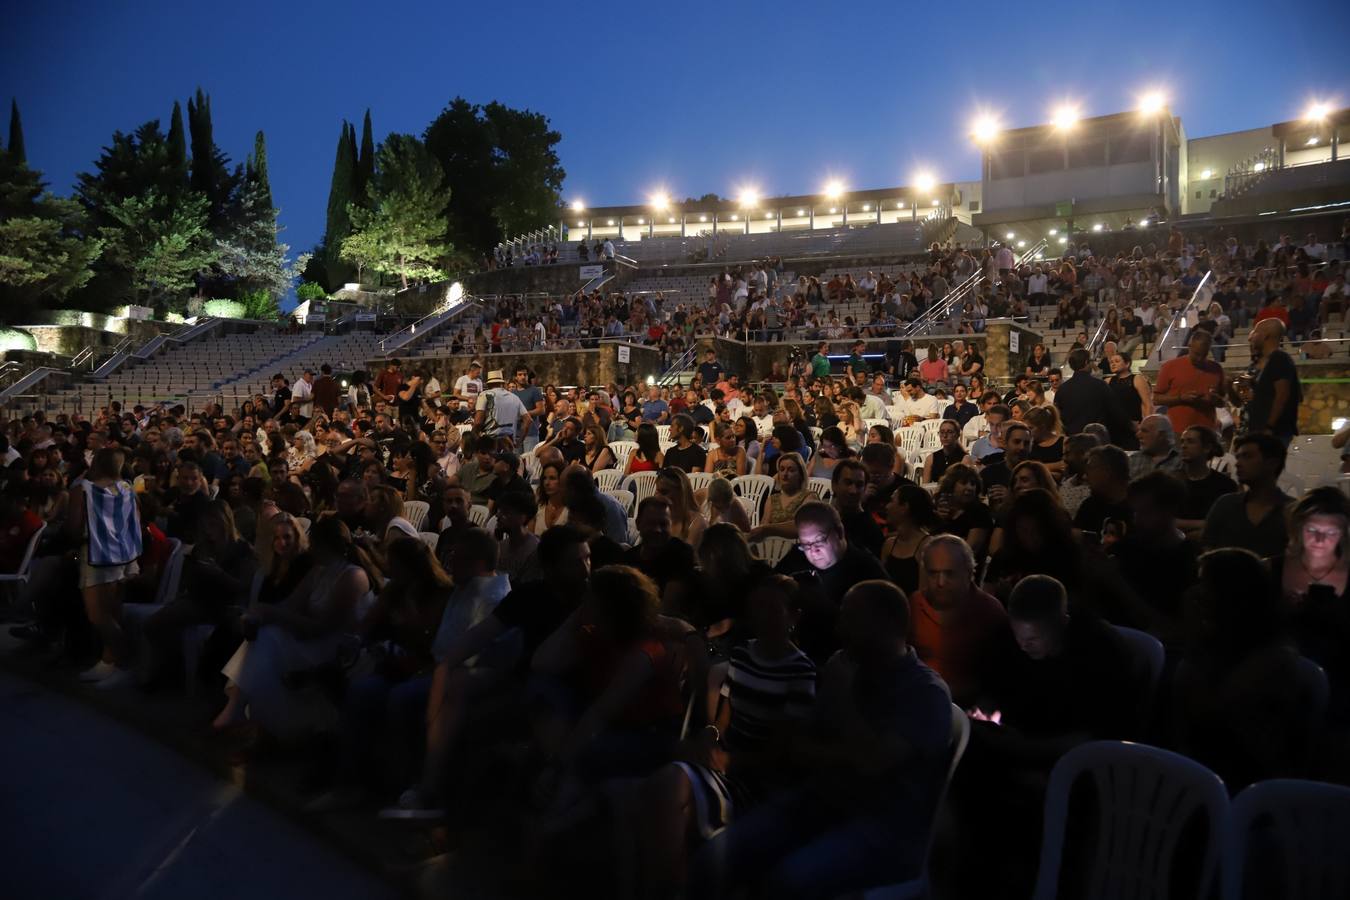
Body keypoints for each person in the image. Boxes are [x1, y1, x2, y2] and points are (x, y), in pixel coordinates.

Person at [689, 580, 952, 900]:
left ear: (884, 626)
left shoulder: (924, 693)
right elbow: (802, 746)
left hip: (882, 826)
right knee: (712, 859)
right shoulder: (845, 665)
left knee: (787, 882)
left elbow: (872, 764)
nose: (839, 629)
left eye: (850, 620)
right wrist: (838, 753)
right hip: (822, 800)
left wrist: (843, 703)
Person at [382, 526, 593, 818]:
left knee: (527, 700)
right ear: (550, 566)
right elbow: (481, 634)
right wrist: (446, 666)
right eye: (575, 562)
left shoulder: (594, 600)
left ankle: (445, 798)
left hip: (566, 687)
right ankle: (430, 788)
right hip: (523, 681)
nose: (585, 569)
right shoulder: (531, 596)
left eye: (588, 558)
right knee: (457, 682)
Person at [627, 575, 817, 897]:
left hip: (756, 778)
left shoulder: (800, 671)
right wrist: (711, 734)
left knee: (667, 789)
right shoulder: (744, 654)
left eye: (772, 609)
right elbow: (726, 714)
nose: (762, 617)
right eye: (757, 608)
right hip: (724, 762)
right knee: (662, 792)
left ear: (793, 616)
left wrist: (728, 761)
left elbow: (784, 750)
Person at [214, 517, 377, 740]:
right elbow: (289, 606)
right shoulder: (318, 572)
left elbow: (322, 628)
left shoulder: (353, 576)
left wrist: (273, 614)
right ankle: (245, 713)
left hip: (337, 646)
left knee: (269, 639)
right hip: (314, 636)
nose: (310, 549)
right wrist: (259, 614)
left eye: (314, 544)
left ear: (326, 546)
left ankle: (242, 712)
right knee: (264, 635)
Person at [1173, 548, 1308, 789]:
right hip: (1210, 759)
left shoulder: (1273, 655)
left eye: (1205, 584)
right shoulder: (1223, 637)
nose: (1197, 593)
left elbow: (1208, 710)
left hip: (1248, 774)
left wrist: (1192, 634)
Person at [775, 502, 888, 664]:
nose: (813, 551)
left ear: (839, 532)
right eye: (805, 545)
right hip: (796, 656)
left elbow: (876, 635)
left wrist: (825, 606)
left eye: (819, 541)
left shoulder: (867, 571)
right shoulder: (797, 557)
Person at [70, 448, 144, 688]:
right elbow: (136, 520)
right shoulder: (127, 488)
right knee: (113, 612)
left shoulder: (82, 489)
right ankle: (108, 662)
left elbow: (73, 528)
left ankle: (125, 661)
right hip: (123, 556)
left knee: (98, 615)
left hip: (96, 556)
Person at [908, 534, 1007, 707]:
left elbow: (1002, 674)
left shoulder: (990, 612)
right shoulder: (914, 604)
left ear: (968, 573)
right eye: (933, 573)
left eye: (949, 574)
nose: (940, 582)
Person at [1202, 433, 1292, 558]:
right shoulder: (1225, 504)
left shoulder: (1293, 512)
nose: (1237, 464)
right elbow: (1207, 547)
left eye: (1247, 456)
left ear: (1272, 463)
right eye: (1238, 457)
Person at [1054, 348, 1133, 445]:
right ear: (1086, 362)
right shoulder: (1100, 385)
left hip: (1072, 441)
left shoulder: (1062, 389)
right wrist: (1131, 425)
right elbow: (1115, 411)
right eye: (1091, 361)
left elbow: (1057, 417)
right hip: (1096, 440)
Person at [1243, 318, 1302, 445]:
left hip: (1274, 433)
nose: (1250, 337)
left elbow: (1282, 395)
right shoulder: (1258, 364)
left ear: (1265, 335)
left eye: (1255, 332)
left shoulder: (1280, 359)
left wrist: (1269, 426)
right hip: (1257, 431)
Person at [1153, 329, 1224, 435]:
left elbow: (1222, 401)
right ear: (1189, 346)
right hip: (1178, 431)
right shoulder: (1170, 366)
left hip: (1207, 432)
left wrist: (1215, 400)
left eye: (1204, 355)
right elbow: (1156, 399)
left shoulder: (1216, 369)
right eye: (1196, 354)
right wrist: (1181, 398)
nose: (1199, 359)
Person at [1176, 426, 1238, 538]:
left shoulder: (1225, 484)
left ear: (1207, 448)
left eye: (1190, 441)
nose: (1183, 446)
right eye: (1182, 441)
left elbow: (1227, 522)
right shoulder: (1171, 481)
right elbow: (1164, 520)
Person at [1072, 444, 1133, 537]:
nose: (1084, 477)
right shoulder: (1089, 506)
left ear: (1108, 471)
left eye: (1090, 468)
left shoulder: (1139, 509)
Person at [750, 451, 811, 541]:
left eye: (791, 470)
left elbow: (802, 526)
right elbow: (763, 527)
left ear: (800, 475)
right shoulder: (773, 499)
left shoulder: (808, 497)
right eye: (782, 469)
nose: (785, 474)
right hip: (770, 545)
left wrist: (769, 528)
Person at [829, 459, 883, 557]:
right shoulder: (824, 519)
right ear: (834, 485)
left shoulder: (870, 530)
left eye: (859, 485)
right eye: (848, 483)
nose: (853, 491)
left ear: (865, 489)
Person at [474, 370, 531, 442]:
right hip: (509, 442)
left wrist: (473, 437)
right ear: (502, 384)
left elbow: (478, 422)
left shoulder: (484, 395)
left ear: (488, 384)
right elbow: (528, 420)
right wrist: (520, 440)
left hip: (490, 441)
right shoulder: (514, 397)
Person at [1128, 414, 1183, 479]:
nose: (1138, 435)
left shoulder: (1182, 462)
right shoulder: (1133, 460)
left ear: (1161, 435)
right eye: (1139, 431)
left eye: (1144, 431)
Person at [922, 419, 968, 484]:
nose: (945, 436)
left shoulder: (965, 459)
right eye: (942, 432)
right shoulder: (931, 458)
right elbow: (925, 485)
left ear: (957, 435)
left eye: (949, 432)